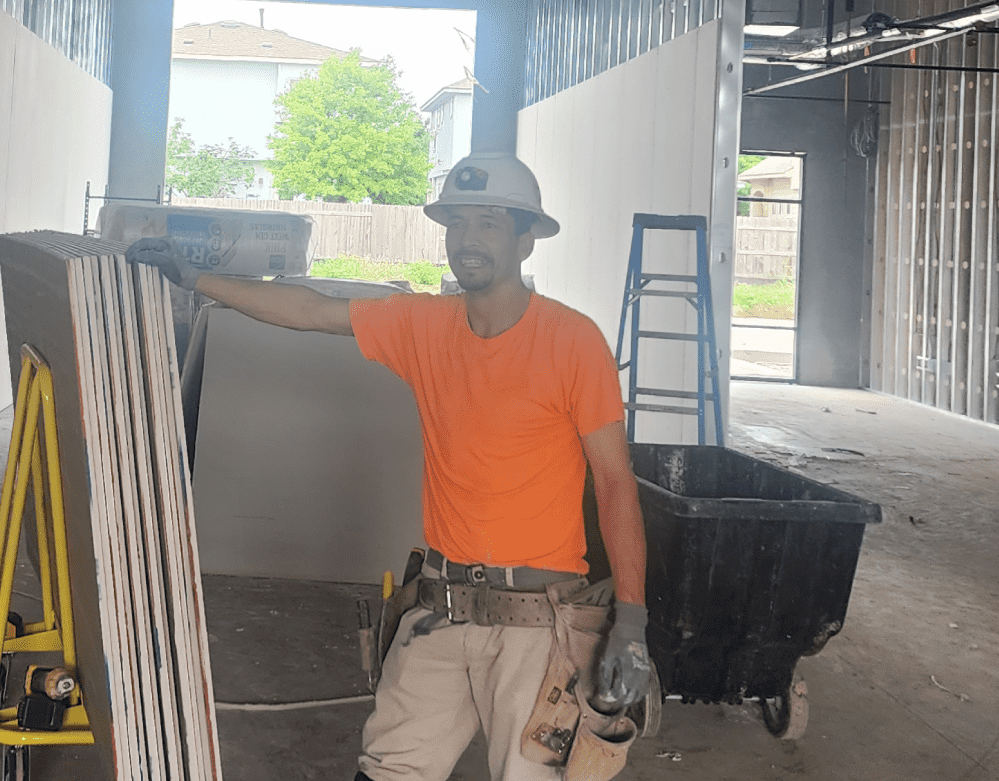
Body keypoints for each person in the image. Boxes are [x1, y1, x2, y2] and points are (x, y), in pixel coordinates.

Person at [128, 152, 651, 781]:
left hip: (537, 621)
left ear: (525, 238)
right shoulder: (423, 325)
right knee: (387, 768)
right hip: (441, 601)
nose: (468, 240)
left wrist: (632, 617)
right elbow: (310, 309)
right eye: (457, 224)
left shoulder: (573, 341)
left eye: (488, 223)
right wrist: (194, 279)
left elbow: (617, 482)